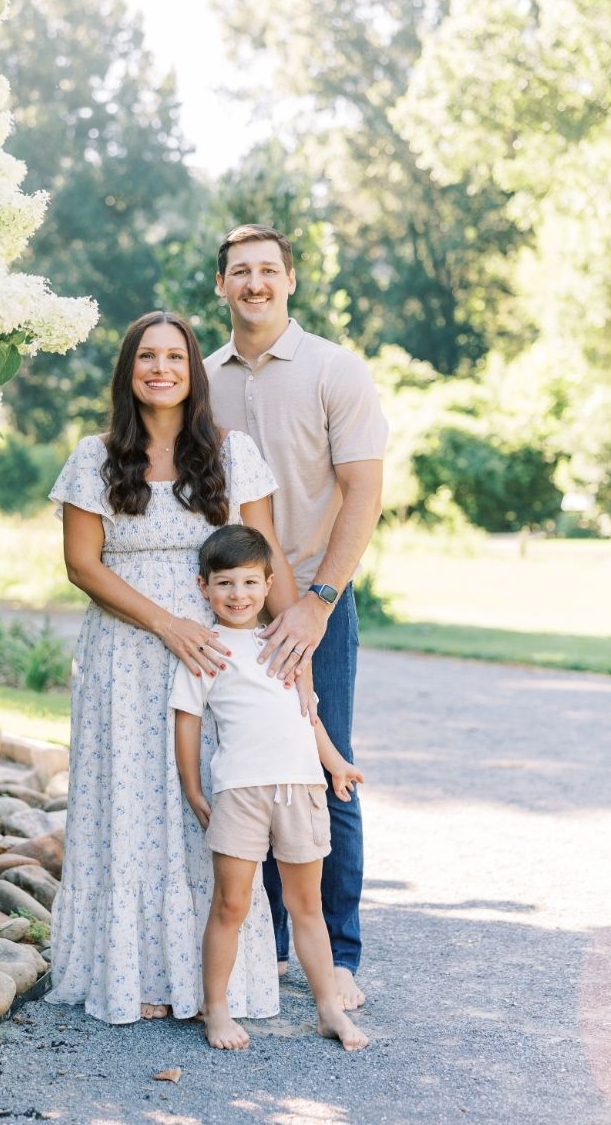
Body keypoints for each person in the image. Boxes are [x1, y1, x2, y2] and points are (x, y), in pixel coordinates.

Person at [46, 310, 308, 1024]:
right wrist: (169, 625)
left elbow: (268, 556)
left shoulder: (233, 454)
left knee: (207, 805)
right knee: (128, 803)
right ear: (128, 372)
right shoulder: (92, 456)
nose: (161, 368)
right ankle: (132, 975)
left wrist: (293, 647)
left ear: (194, 371)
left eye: (175, 357)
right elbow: (80, 563)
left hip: (223, 660)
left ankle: (211, 983)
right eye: (146, 358)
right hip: (124, 660)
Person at [207, 223, 388, 1009]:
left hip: (314, 604)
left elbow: (365, 491)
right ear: (222, 287)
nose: (254, 284)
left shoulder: (332, 370)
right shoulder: (200, 374)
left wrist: (317, 602)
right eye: (239, 272)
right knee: (242, 764)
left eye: (267, 271)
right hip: (227, 607)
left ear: (290, 282)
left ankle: (336, 951)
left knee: (320, 764)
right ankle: (264, 947)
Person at [171, 524, 368, 1052]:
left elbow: (309, 715)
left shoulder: (285, 642)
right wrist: (193, 789)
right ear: (203, 587)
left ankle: (328, 1008)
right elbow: (186, 722)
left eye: (250, 583)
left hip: (301, 790)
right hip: (240, 793)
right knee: (231, 906)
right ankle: (217, 1010)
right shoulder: (207, 649)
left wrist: (337, 764)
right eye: (225, 584)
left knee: (308, 907)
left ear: (269, 583)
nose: (238, 595)